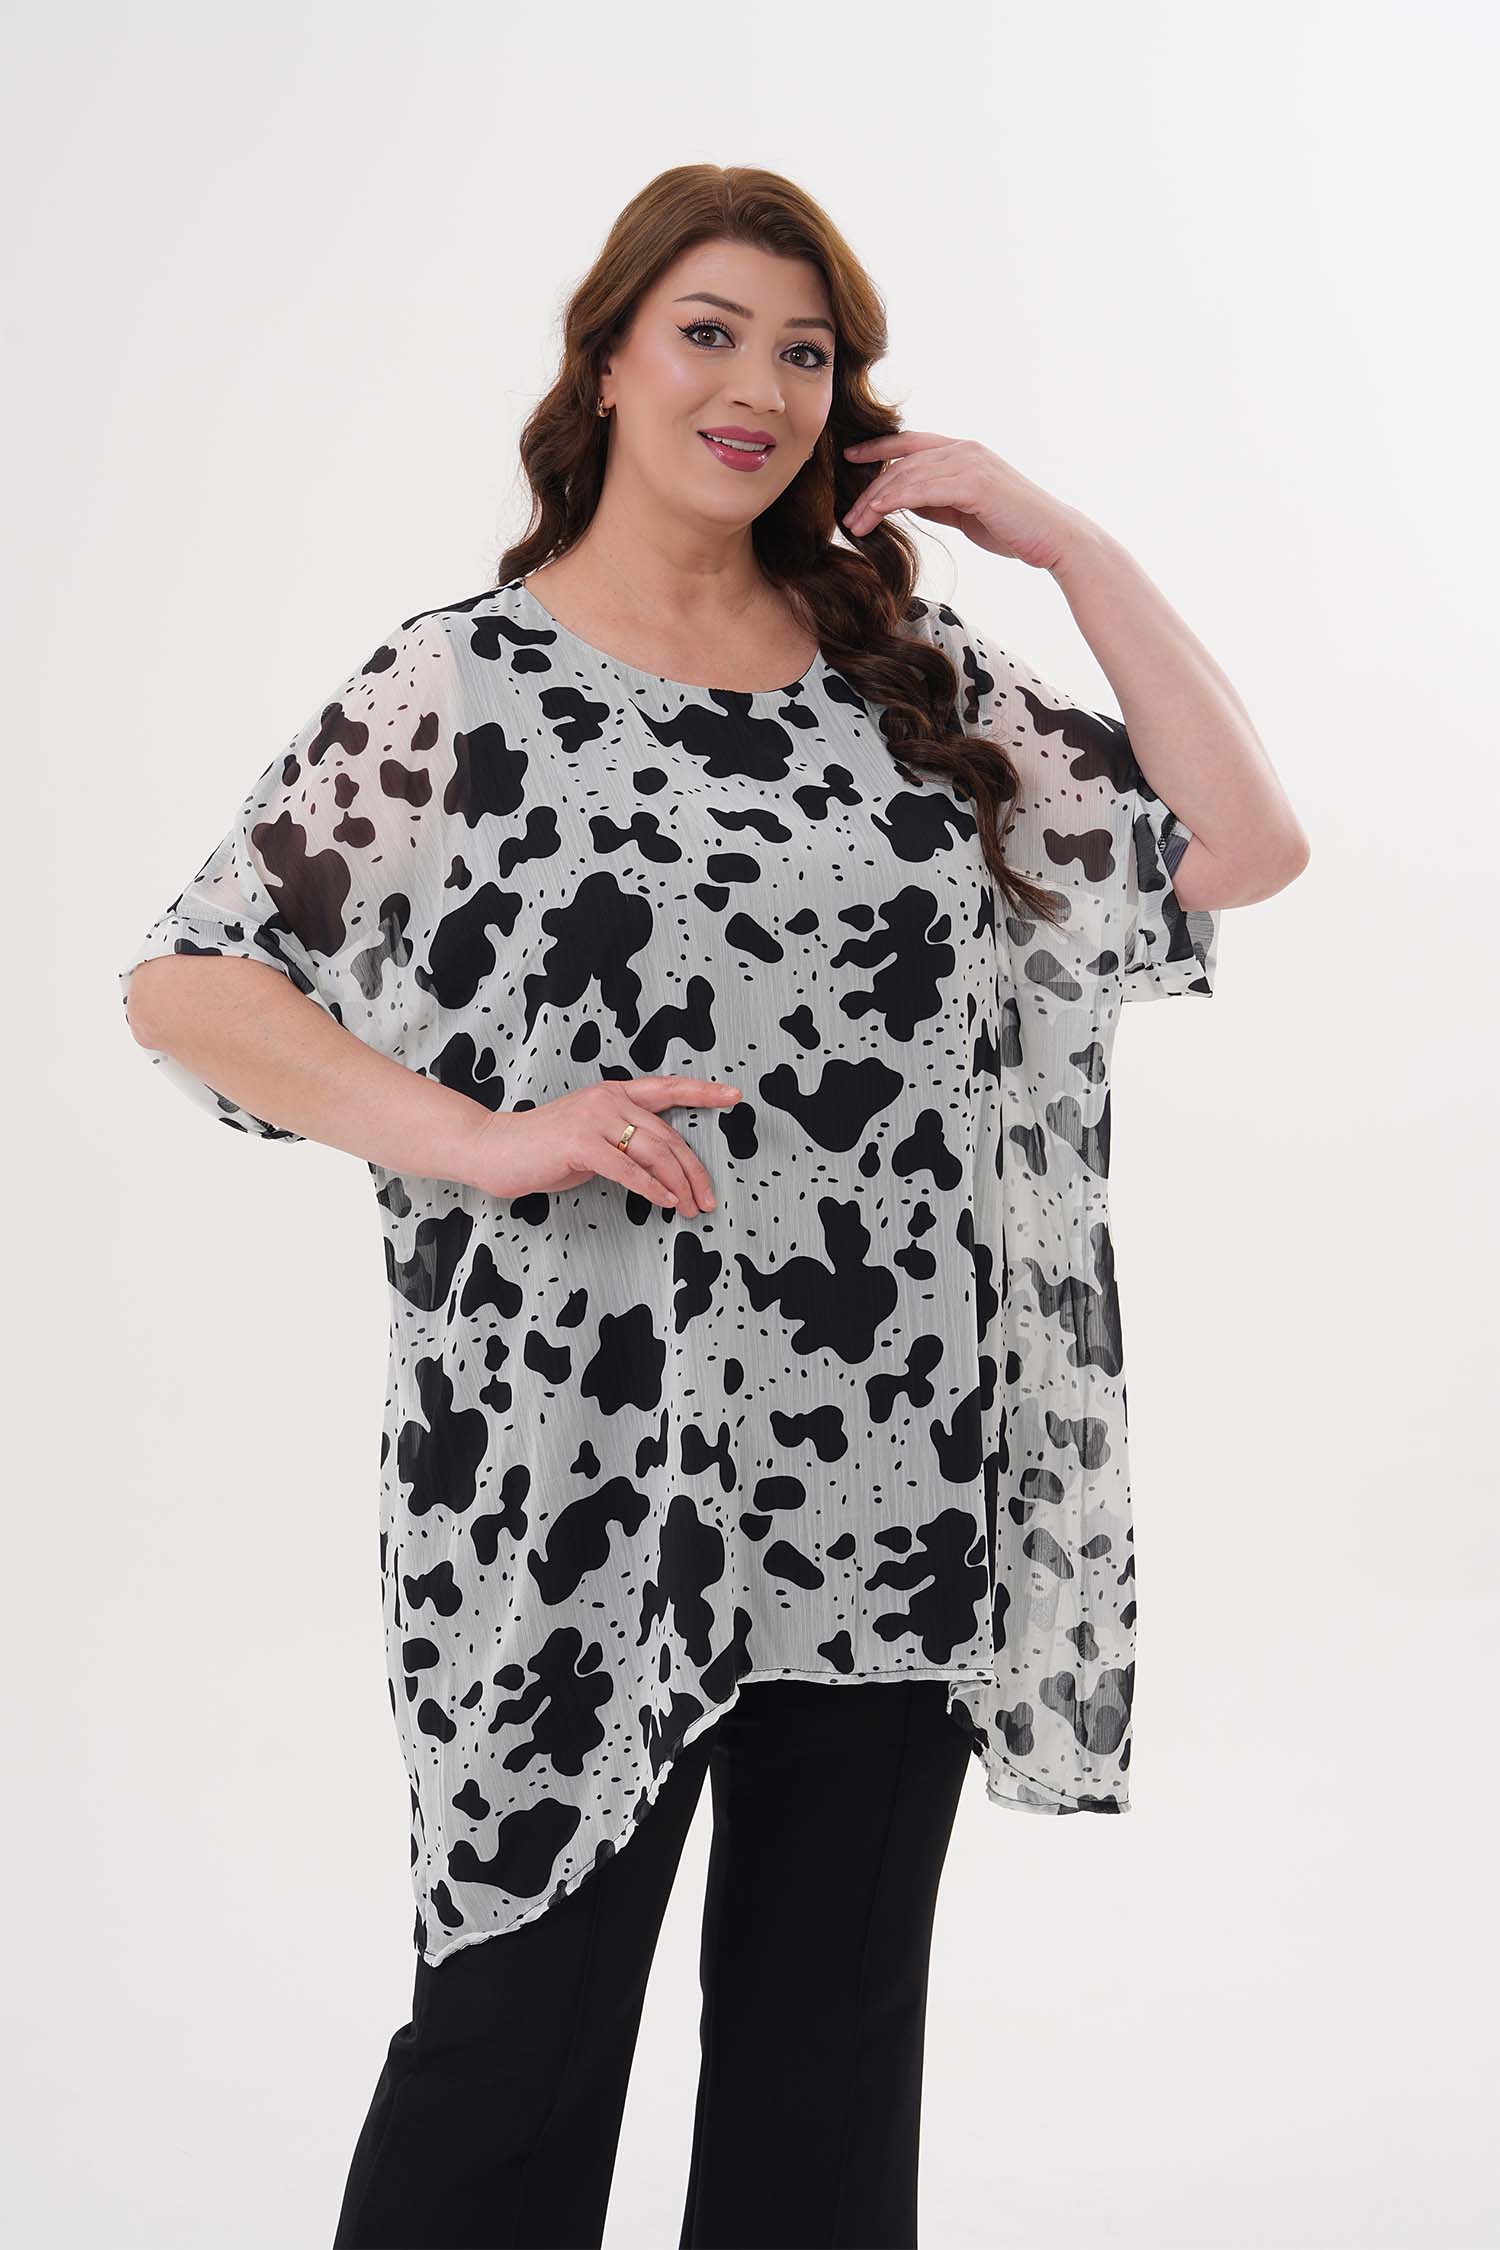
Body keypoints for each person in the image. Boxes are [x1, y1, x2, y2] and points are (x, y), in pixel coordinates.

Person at [117, 164, 1308, 2250]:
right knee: (508, 2060)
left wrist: (1063, 538)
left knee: (823, 2086)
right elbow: (196, 981)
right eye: (709, 332)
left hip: (889, 1469)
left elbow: (1240, 844)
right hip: (576, 1468)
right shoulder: (462, 685)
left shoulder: (908, 675)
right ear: (604, 361)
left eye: (806, 350)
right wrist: (483, 1134)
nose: (759, 386)